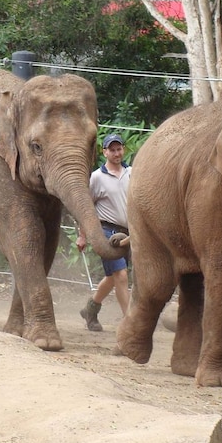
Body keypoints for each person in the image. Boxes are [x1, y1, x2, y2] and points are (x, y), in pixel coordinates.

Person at [77, 133, 131, 332]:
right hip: (107, 232)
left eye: (119, 149)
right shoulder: (96, 178)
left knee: (113, 278)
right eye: (113, 149)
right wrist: (83, 235)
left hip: (129, 233)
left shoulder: (131, 173)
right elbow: (86, 207)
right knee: (121, 275)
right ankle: (129, 322)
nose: (117, 153)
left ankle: (90, 310)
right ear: (104, 151)